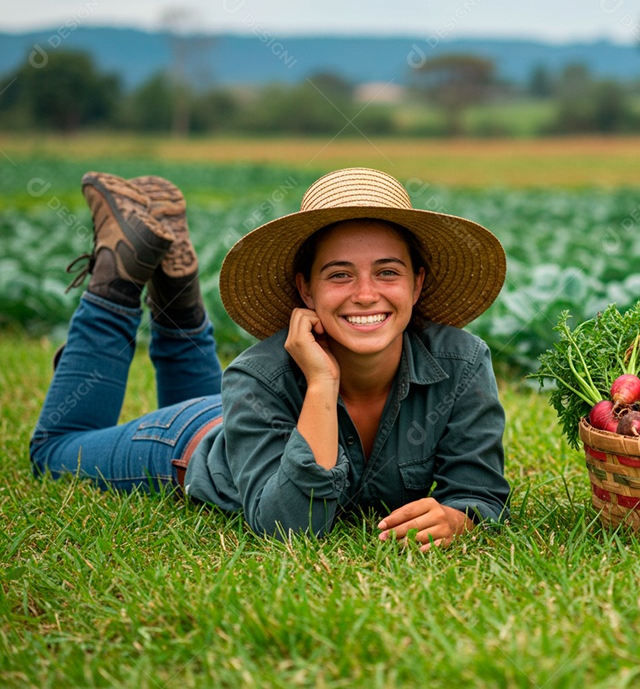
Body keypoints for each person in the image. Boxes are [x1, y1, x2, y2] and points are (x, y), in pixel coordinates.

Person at [31, 167, 511, 548]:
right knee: (53, 450)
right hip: (184, 444)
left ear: (417, 283)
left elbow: (479, 493)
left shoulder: (463, 362)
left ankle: (175, 275)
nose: (366, 294)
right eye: (339, 275)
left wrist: (458, 519)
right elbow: (289, 527)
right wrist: (322, 384)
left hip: (245, 418)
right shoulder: (258, 376)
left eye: (387, 272)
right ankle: (117, 276)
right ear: (306, 287)